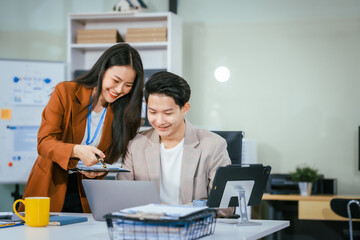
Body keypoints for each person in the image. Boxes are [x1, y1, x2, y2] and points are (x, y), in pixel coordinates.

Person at [19, 43, 144, 213]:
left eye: (128, 85)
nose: (119, 89)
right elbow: (44, 143)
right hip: (49, 188)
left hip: (86, 194)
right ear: (101, 71)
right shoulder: (66, 92)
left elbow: (108, 157)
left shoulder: (123, 112)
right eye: (115, 80)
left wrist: (98, 170)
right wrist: (77, 151)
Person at [117, 71, 233, 217]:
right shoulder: (135, 146)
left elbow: (225, 205)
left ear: (184, 108)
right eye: (152, 112)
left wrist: (174, 210)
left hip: (193, 229)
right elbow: (122, 198)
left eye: (168, 113)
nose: (159, 121)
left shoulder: (213, 145)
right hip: (147, 228)